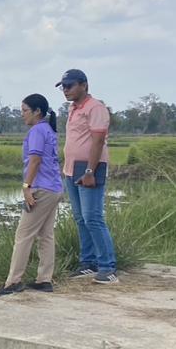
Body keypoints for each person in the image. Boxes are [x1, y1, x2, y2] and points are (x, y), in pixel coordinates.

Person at [0, 93, 63, 296]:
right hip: (55, 188)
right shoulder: (48, 130)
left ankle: (13, 281)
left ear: (37, 112)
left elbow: (35, 160)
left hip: (41, 189)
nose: (22, 115)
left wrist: (27, 187)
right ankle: (44, 280)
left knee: (23, 235)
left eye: (25, 111)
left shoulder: (37, 131)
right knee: (46, 235)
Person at [57, 69, 117, 283]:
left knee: (93, 217)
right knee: (81, 218)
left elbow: (98, 141)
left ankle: (107, 267)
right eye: (63, 86)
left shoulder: (95, 108)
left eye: (69, 86)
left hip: (89, 168)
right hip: (72, 169)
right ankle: (88, 262)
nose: (65, 90)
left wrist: (90, 171)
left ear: (84, 85)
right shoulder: (73, 108)